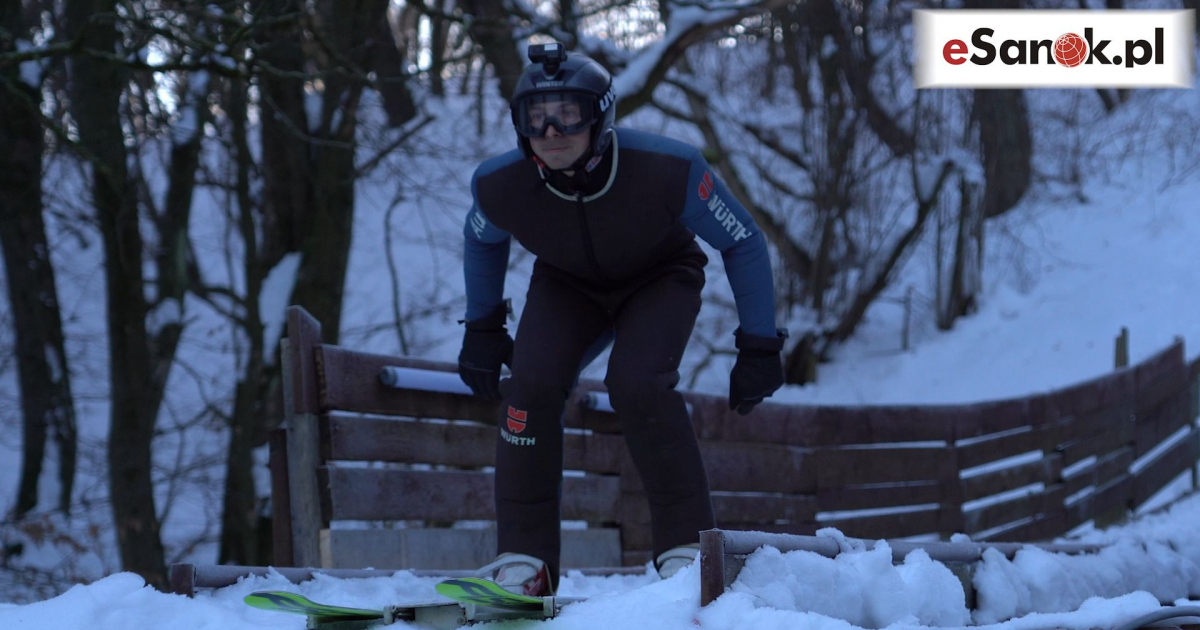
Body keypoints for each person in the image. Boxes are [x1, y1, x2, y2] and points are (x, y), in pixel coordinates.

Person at [457, 41, 787, 597]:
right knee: (527, 390)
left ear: (602, 116)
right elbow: (481, 241)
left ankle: (685, 550)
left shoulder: (669, 169)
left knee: (637, 385)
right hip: (567, 284)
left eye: (569, 113)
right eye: (535, 118)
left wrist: (759, 343)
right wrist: (483, 327)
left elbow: (743, 241)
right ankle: (525, 561)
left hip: (659, 276)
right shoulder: (499, 184)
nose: (553, 131)